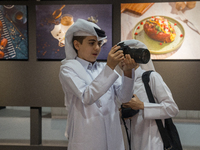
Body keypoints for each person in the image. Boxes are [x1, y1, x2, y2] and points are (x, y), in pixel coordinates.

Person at [59, 19, 137, 150]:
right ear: (77, 44)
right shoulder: (68, 68)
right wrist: (111, 66)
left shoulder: (103, 68)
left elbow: (124, 98)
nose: (97, 48)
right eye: (91, 43)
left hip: (113, 137)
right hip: (86, 138)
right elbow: (86, 96)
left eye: (99, 43)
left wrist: (128, 71)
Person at [120, 40, 179, 150]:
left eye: (125, 55)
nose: (123, 59)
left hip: (153, 143)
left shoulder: (150, 78)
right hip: (131, 143)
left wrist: (142, 106)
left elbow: (172, 109)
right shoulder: (120, 83)